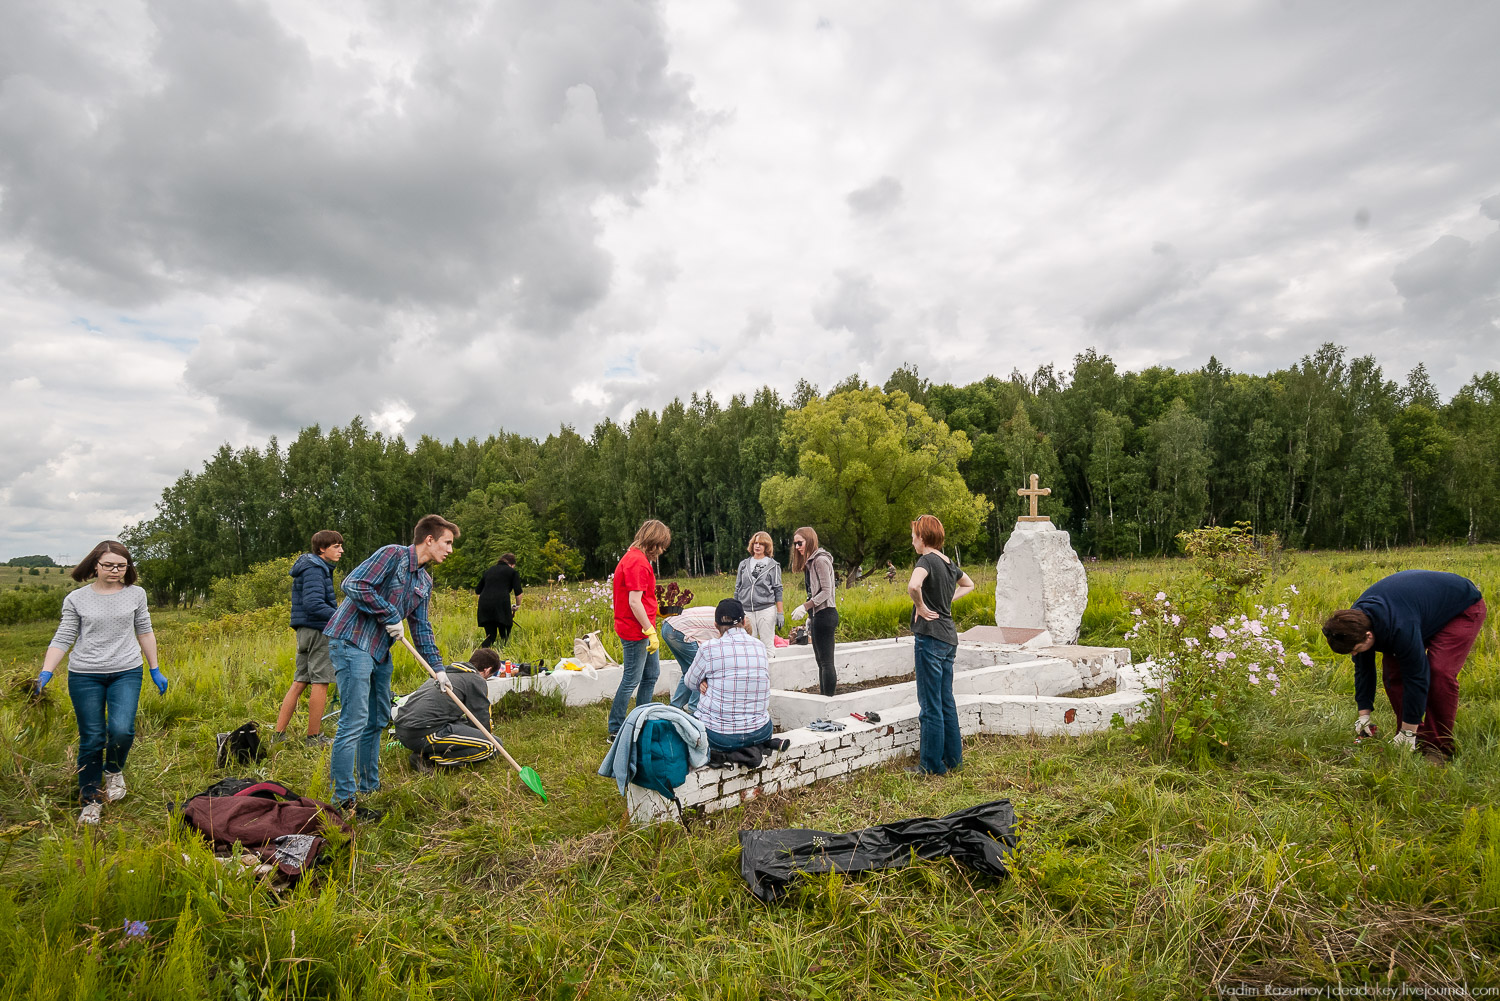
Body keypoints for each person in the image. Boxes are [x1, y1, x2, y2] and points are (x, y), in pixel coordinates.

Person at [323, 514, 458, 817]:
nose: (450, 550)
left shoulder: (425, 580)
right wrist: (388, 613)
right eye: (447, 543)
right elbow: (353, 584)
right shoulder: (393, 555)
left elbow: (421, 626)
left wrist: (438, 669)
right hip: (352, 641)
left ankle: (370, 786)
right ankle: (343, 800)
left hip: (380, 650)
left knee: (378, 718)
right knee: (354, 719)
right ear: (429, 540)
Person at [37, 541, 168, 825]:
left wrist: (155, 668)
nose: (115, 570)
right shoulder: (77, 599)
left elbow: (144, 630)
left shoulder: (136, 594)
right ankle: (91, 800)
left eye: (122, 566)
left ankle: (113, 770)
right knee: (93, 737)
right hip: (85, 675)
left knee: (121, 730)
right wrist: (46, 672)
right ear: (95, 564)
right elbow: (64, 636)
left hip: (126, 671)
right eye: (109, 565)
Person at [1322, 569, 1485, 762]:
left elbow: (1417, 676)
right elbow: (1363, 670)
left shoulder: (1399, 626)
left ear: (1369, 635)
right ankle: (1414, 736)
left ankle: (1438, 746)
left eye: (1355, 649)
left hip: (1460, 608)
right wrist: (1363, 715)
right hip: (1421, 610)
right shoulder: (1352, 624)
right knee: (1393, 674)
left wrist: (1408, 732)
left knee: (1438, 671)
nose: (1354, 654)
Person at [906, 515, 975, 776]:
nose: (912, 540)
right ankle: (953, 760)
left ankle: (931, 766)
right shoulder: (948, 563)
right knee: (946, 701)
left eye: (914, 535)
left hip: (931, 637)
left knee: (930, 704)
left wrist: (922, 607)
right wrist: (946, 602)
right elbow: (969, 584)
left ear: (922, 537)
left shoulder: (926, 560)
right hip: (949, 638)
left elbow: (914, 585)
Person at [272, 530, 344, 745]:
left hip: (305, 632)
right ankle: (313, 737)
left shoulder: (313, 567)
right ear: (322, 549)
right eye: (336, 546)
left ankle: (278, 736)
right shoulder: (315, 568)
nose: (341, 550)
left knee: (299, 682)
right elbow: (314, 605)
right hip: (317, 631)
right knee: (321, 683)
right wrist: (342, 617)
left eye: (341, 545)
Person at [607, 519, 671, 741]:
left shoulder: (635, 557)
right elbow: (634, 602)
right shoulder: (637, 562)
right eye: (661, 546)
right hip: (636, 630)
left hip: (641, 626)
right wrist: (649, 630)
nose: (661, 551)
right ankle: (615, 728)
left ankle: (641, 719)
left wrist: (656, 613)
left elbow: (642, 598)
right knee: (631, 679)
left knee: (651, 674)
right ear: (653, 542)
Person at [684, 599, 774, 750]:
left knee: (690, 722)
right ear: (745, 621)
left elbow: (690, 682)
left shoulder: (709, 648)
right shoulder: (760, 646)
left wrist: (704, 680)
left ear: (715, 626)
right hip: (761, 732)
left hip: (720, 737)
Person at [395, 647, 503, 772]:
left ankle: (426, 751)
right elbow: (481, 721)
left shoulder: (443, 674)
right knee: (494, 746)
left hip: (403, 729)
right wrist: (484, 736)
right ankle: (428, 758)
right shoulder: (475, 680)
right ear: (487, 670)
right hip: (422, 733)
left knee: (463, 722)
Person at [788, 527, 839, 696]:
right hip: (818, 615)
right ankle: (824, 697)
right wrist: (810, 615)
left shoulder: (820, 561)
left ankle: (828, 699)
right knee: (821, 661)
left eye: (799, 543)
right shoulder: (810, 563)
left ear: (809, 541)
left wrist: (805, 606)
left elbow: (826, 591)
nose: (797, 547)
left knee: (826, 662)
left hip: (826, 614)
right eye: (795, 543)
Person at [659, 605, 720, 713]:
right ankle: (694, 709)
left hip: (668, 626)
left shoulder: (722, 617)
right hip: (679, 630)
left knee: (689, 671)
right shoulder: (725, 629)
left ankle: (674, 708)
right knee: (701, 670)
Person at [734, 532, 784, 653]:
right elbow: (738, 588)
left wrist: (780, 612)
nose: (758, 546)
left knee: (767, 646)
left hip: (765, 609)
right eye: (755, 543)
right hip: (746, 610)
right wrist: (736, 609)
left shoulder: (773, 565)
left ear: (767, 546)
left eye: (761, 544)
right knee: (749, 646)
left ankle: (769, 671)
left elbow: (778, 589)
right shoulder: (744, 564)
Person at [475, 553, 523, 648]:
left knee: (490, 636)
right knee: (505, 632)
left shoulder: (489, 571)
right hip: (501, 604)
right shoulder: (512, 572)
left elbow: (477, 591)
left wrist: (486, 601)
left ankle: (481, 652)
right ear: (512, 564)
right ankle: (504, 651)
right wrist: (518, 605)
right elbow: (518, 592)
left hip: (485, 605)